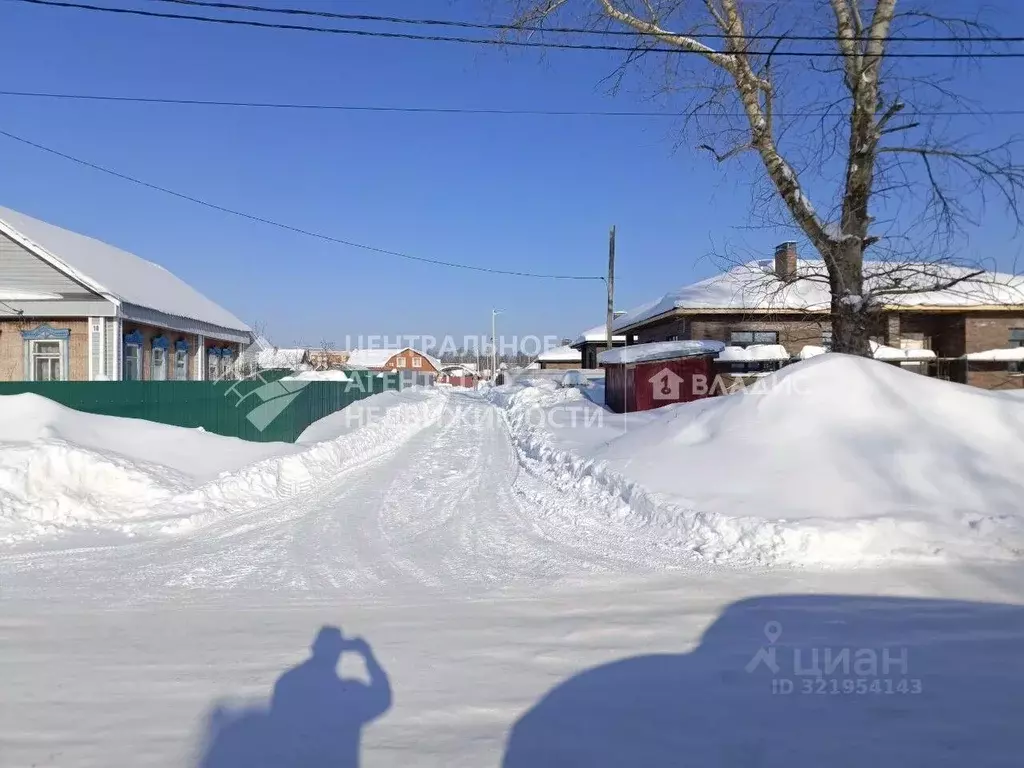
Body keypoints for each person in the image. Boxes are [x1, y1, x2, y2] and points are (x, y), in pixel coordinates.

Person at [266, 626, 392, 767]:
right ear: (339, 653)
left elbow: (274, 730)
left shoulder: (288, 684)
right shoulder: (346, 694)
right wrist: (367, 654)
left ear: (313, 648)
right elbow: (383, 698)